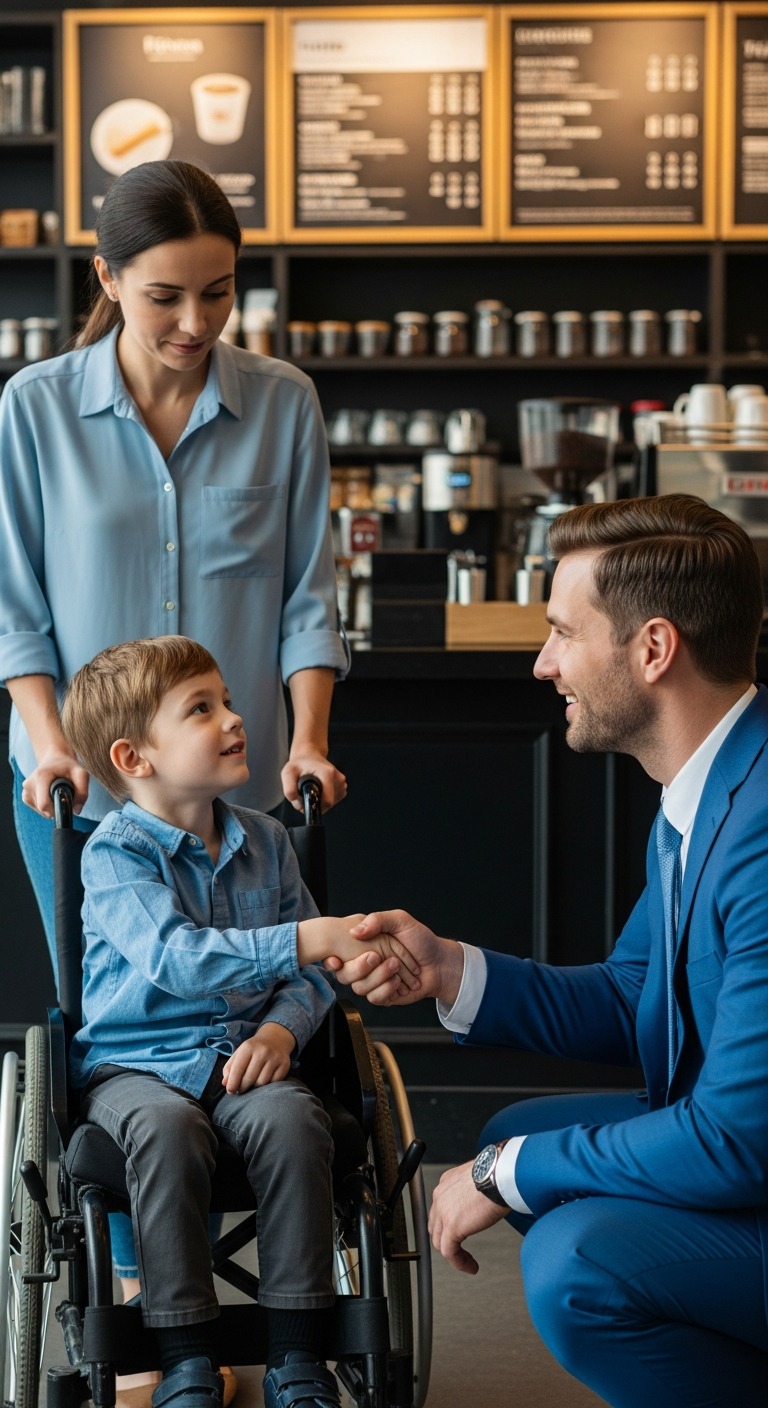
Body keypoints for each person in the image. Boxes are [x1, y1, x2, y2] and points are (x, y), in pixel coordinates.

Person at [326, 494, 768, 1407]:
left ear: (652, 650)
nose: (543, 663)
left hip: (749, 1156)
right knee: (509, 1137)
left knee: (576, 1263)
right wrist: (449, 968)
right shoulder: (711, 785)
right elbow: (639, 990)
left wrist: (504, 1174)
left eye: (564, 632)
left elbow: (735, 1140)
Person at [0, 157, 349, 974]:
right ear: (108, 279)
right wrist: (52, 745)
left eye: (218, 291)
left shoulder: (284, 400)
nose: (196, 321)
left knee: (251, 1007)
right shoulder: (35, 407)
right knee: (112, 1023)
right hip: (80, 794)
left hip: (236, 798)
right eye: (165, 297)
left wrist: (309, 742)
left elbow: (306, 600)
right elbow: (16, 607)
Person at [61, 635, 416, 1408]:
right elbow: (177, 960)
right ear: (134, 756)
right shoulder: (115, 857)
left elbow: (316, 979)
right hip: (136, 1066)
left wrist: (283, 1031)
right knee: (165, 1130)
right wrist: (301, 938)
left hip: (248, 1056)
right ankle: (185, 1356)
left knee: (294, 1120)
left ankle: (297, 1355)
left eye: (225, 699)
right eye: (201, 708)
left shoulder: (267, 841)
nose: (233, 718)